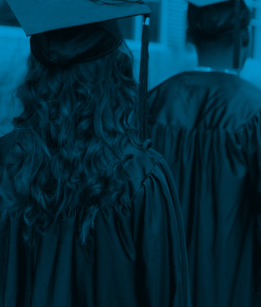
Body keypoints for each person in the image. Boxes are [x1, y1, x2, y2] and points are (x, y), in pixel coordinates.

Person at [0, 1, 190, 306]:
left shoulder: (8, 160)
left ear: (37, 74)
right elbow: (164, 290)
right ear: (116, 72)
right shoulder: (141, 174)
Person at [147, 1, 261, 306]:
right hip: (234, 279)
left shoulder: (153, 102)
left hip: (159, 274)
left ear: (190, 37)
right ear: (245, 39)